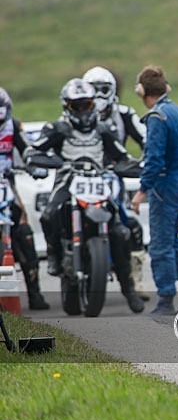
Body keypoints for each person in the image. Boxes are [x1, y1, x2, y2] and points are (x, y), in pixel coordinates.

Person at [25, 78, 144, 313]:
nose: (82, 111)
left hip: (98, 182)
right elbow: (33, 150)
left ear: (93, 104)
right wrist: (47, 161)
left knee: (120, 229)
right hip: (67, 182)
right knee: (48, 215)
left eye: (86, 105)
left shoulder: (104, 130)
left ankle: (128, 288)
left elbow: (121, 156)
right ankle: (54, 258)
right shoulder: (57, 129)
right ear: (67, 107)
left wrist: (132, 166)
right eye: (76, 106)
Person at [131, 65, 178, 316]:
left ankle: (165, 300)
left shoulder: (157, 117)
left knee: (160, 246)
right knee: (173, 242)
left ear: (142, 92)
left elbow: (153, 159)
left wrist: (143, 190)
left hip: (164, 185)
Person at [83, 65, 150, 301]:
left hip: (112, 176)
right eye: (93, 89)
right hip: (80, 177)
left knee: (128, 223)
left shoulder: (124, 114)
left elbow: (146, 140)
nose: (99, 95)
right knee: (53, 211)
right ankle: (59, 257)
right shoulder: (73, 113)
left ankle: (134, 280)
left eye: (104, 89)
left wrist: (144, 165)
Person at [0, 88, 50, 310]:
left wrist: (34, 166)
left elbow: (27, 150)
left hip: (7, 185)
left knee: (24, 232)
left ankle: (35, 293)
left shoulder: (14, 126)